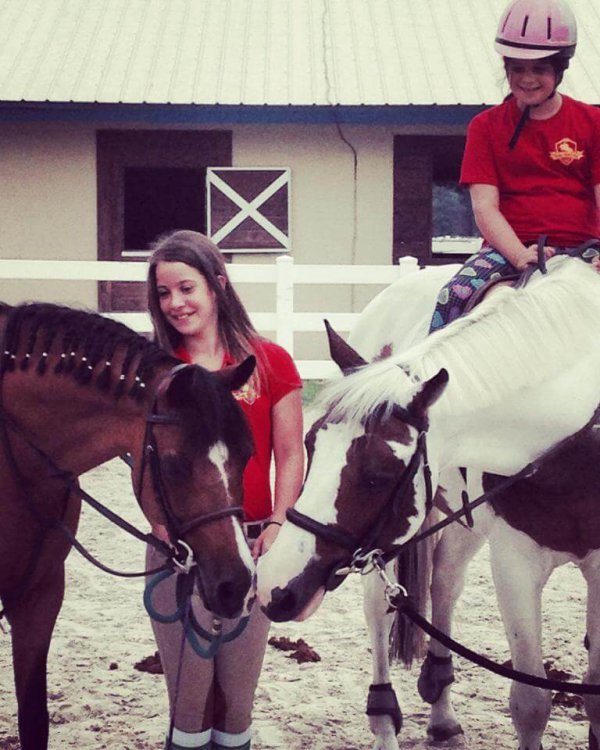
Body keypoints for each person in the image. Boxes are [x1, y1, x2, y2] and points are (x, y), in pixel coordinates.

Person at [145, 230, 304, 750]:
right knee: (188, 700)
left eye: (186, 288)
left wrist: (279, 522)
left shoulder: (271, 362)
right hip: (180, 549)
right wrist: (160, 527)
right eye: (164, 293)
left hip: (252, 544)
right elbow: (141, 464)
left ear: (217, 284)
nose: (175, 303)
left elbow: (290, 452)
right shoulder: (157, 373)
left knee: (237, 698)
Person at [430, 0, 600, 332]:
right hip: (511, 249)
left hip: (585, 246)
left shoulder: (593, 122)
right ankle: (430, 383)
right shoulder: (485, 127)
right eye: (518, 68)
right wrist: (521, 256)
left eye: (540, 68)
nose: (528, 79)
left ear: (560, 69)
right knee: (452, 296)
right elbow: (485, 208)